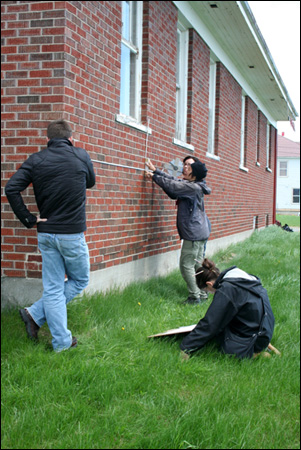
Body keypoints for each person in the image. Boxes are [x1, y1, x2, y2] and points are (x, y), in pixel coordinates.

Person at [5, 119, 95, 352]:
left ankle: (35, 316)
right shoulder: (81, 155)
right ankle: (51, 331)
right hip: (72, 234)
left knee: (54, 289)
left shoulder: (36, 160)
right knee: (80, 280)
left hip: (46, 234)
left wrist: (29, 218)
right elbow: (91, 182)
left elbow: (11, 188)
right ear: (70, 139)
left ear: (48, 140)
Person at [180, 259, 279, 359]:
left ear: (209, 284)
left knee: (226, 348)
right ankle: (265, 345)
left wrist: (186, 347)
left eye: (208, 291)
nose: (211, 294)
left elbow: (211, 323)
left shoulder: (227, 289)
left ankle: (256, 353)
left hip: (256, 335)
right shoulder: (240, 277)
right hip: (265, 328)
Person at [145, 156, 211, 304]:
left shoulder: (192, 187)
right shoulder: (194, 184)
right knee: (196, 264)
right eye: (185, 164)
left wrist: (155, 176)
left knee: (186, 265)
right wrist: (156, 172)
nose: (185, 167)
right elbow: (176, 182)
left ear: (194, 174)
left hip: (194, 233)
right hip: (200, 231)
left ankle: (194, 296)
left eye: (189, 166)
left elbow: (173, 186)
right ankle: (203, 293)